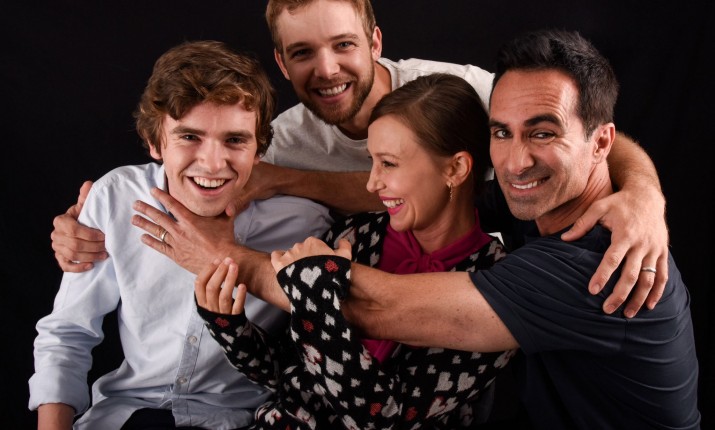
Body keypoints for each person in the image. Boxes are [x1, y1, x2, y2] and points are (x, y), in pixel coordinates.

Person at [52, 0, 670, 318]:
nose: (326, 70)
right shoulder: (275, 137)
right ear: (281, 62)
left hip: (495, 281)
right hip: (366, 301)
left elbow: (575, 132)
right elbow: (188, 159)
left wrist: (644, 196)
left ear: (374, 41)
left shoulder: (453, 92)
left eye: (343, 44)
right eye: (303, 53)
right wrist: (93, 221)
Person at [275, 29, 700, 428]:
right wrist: (644, 188)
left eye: (543, 133)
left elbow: (375, 309)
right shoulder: (534, 203)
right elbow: (428, 190)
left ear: (601, 143)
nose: (515, 163)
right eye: (501, 132)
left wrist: (269, 264)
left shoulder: (595, 266)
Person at [28, 40, 332, 429]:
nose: (213, 163)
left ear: (259, 148)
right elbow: (67, 334)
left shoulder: (303, 224)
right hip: (125, 412)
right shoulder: (115, 197)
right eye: (189, 137)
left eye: (235, 140)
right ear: (156, 142)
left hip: (239, 419)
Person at [194, 73, 516, 428]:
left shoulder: (499, 284)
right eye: (371, 162)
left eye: (388, 163)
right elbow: (290, 374)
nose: (372, 183)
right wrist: (229, 326)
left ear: (455, 168)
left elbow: (383, 419)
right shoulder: (357, 234)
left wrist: (313, 295)